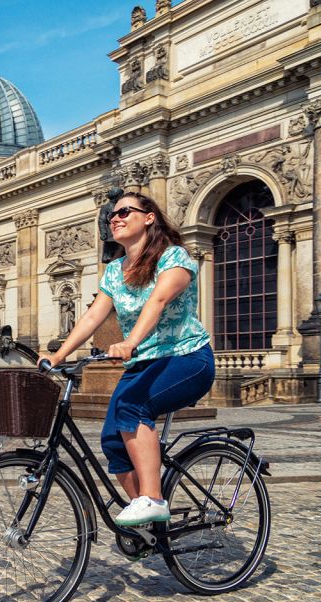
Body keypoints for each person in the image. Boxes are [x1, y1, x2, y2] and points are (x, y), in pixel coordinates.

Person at [39, 192, 214, 527]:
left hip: (187, 358)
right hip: (143, 365)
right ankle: (147, 526)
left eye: (124, 212)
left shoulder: (174, 257)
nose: (114, 218)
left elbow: (159, 300)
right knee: (111, 441)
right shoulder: (115, 271)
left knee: (133, 408)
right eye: (111, 216)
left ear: (149, 217)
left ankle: (153, 499)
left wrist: (131, 341)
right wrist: (57, 356)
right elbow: (92, 318)